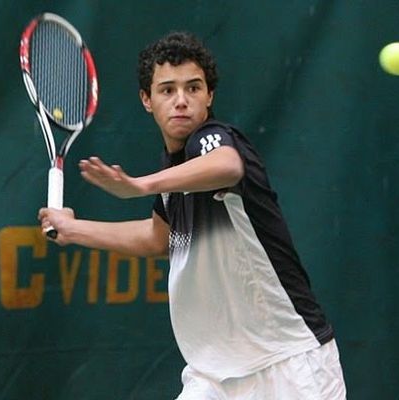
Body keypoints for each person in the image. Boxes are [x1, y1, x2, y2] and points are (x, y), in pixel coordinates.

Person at [38, 31, 346, 399]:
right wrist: (74, 229)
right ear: (146, 100)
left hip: (290, 365)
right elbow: (157, 238)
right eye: (167, 90)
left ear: (209, 96)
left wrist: (139, 186)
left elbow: (227, 166)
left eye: (193, 88)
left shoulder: (214, 139)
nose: (181, 101)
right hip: (212, 375)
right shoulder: (173, 171)